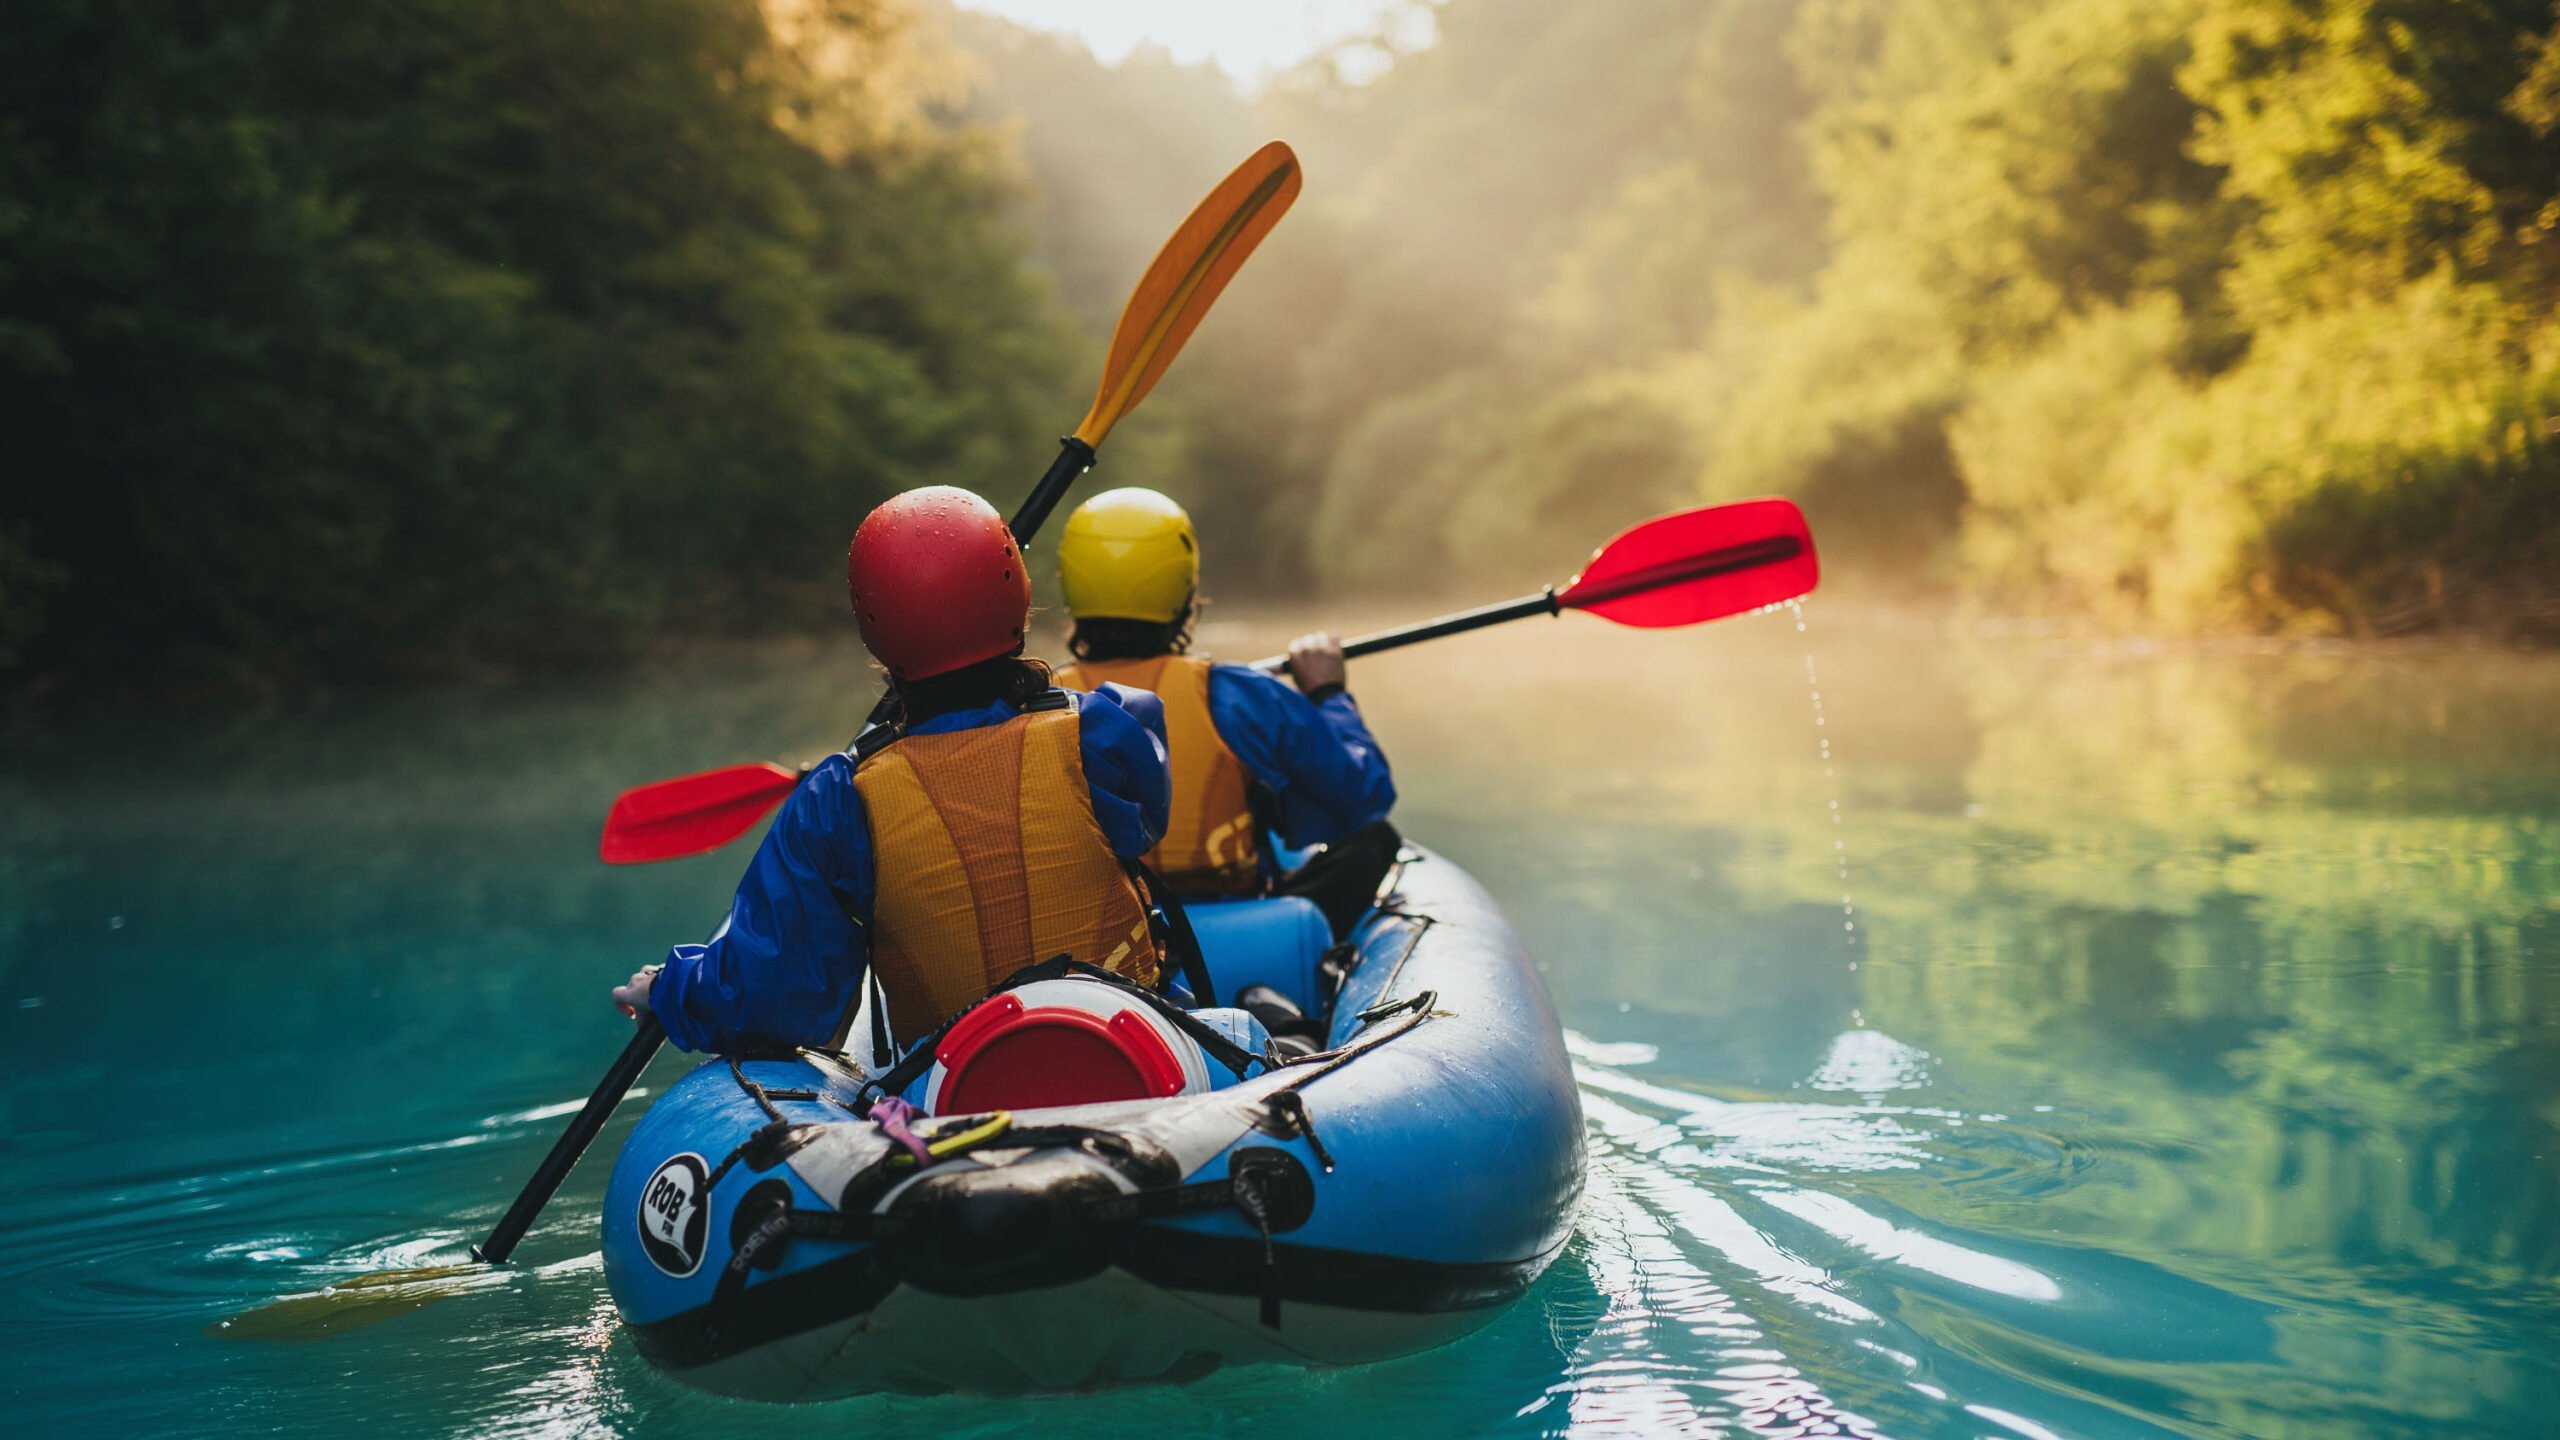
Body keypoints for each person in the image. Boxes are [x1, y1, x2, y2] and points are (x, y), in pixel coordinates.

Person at [611, 486, 1174, 1055]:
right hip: (1139, 1050)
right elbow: (1147, 822)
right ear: (1019, 601)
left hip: (957, 1090)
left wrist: (671, 987)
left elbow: (776, 998)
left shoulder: (839, 797)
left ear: (874, 629)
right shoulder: (1101, 728)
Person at [1051, 487, 1396, 938]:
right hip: (1241, 936)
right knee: (1375, 842)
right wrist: (1328, 692)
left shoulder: (1039, 704)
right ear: (1184, 590)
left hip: (1094, 941)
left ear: (1071, 585)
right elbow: (1364, 792)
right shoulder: (1240, 695)